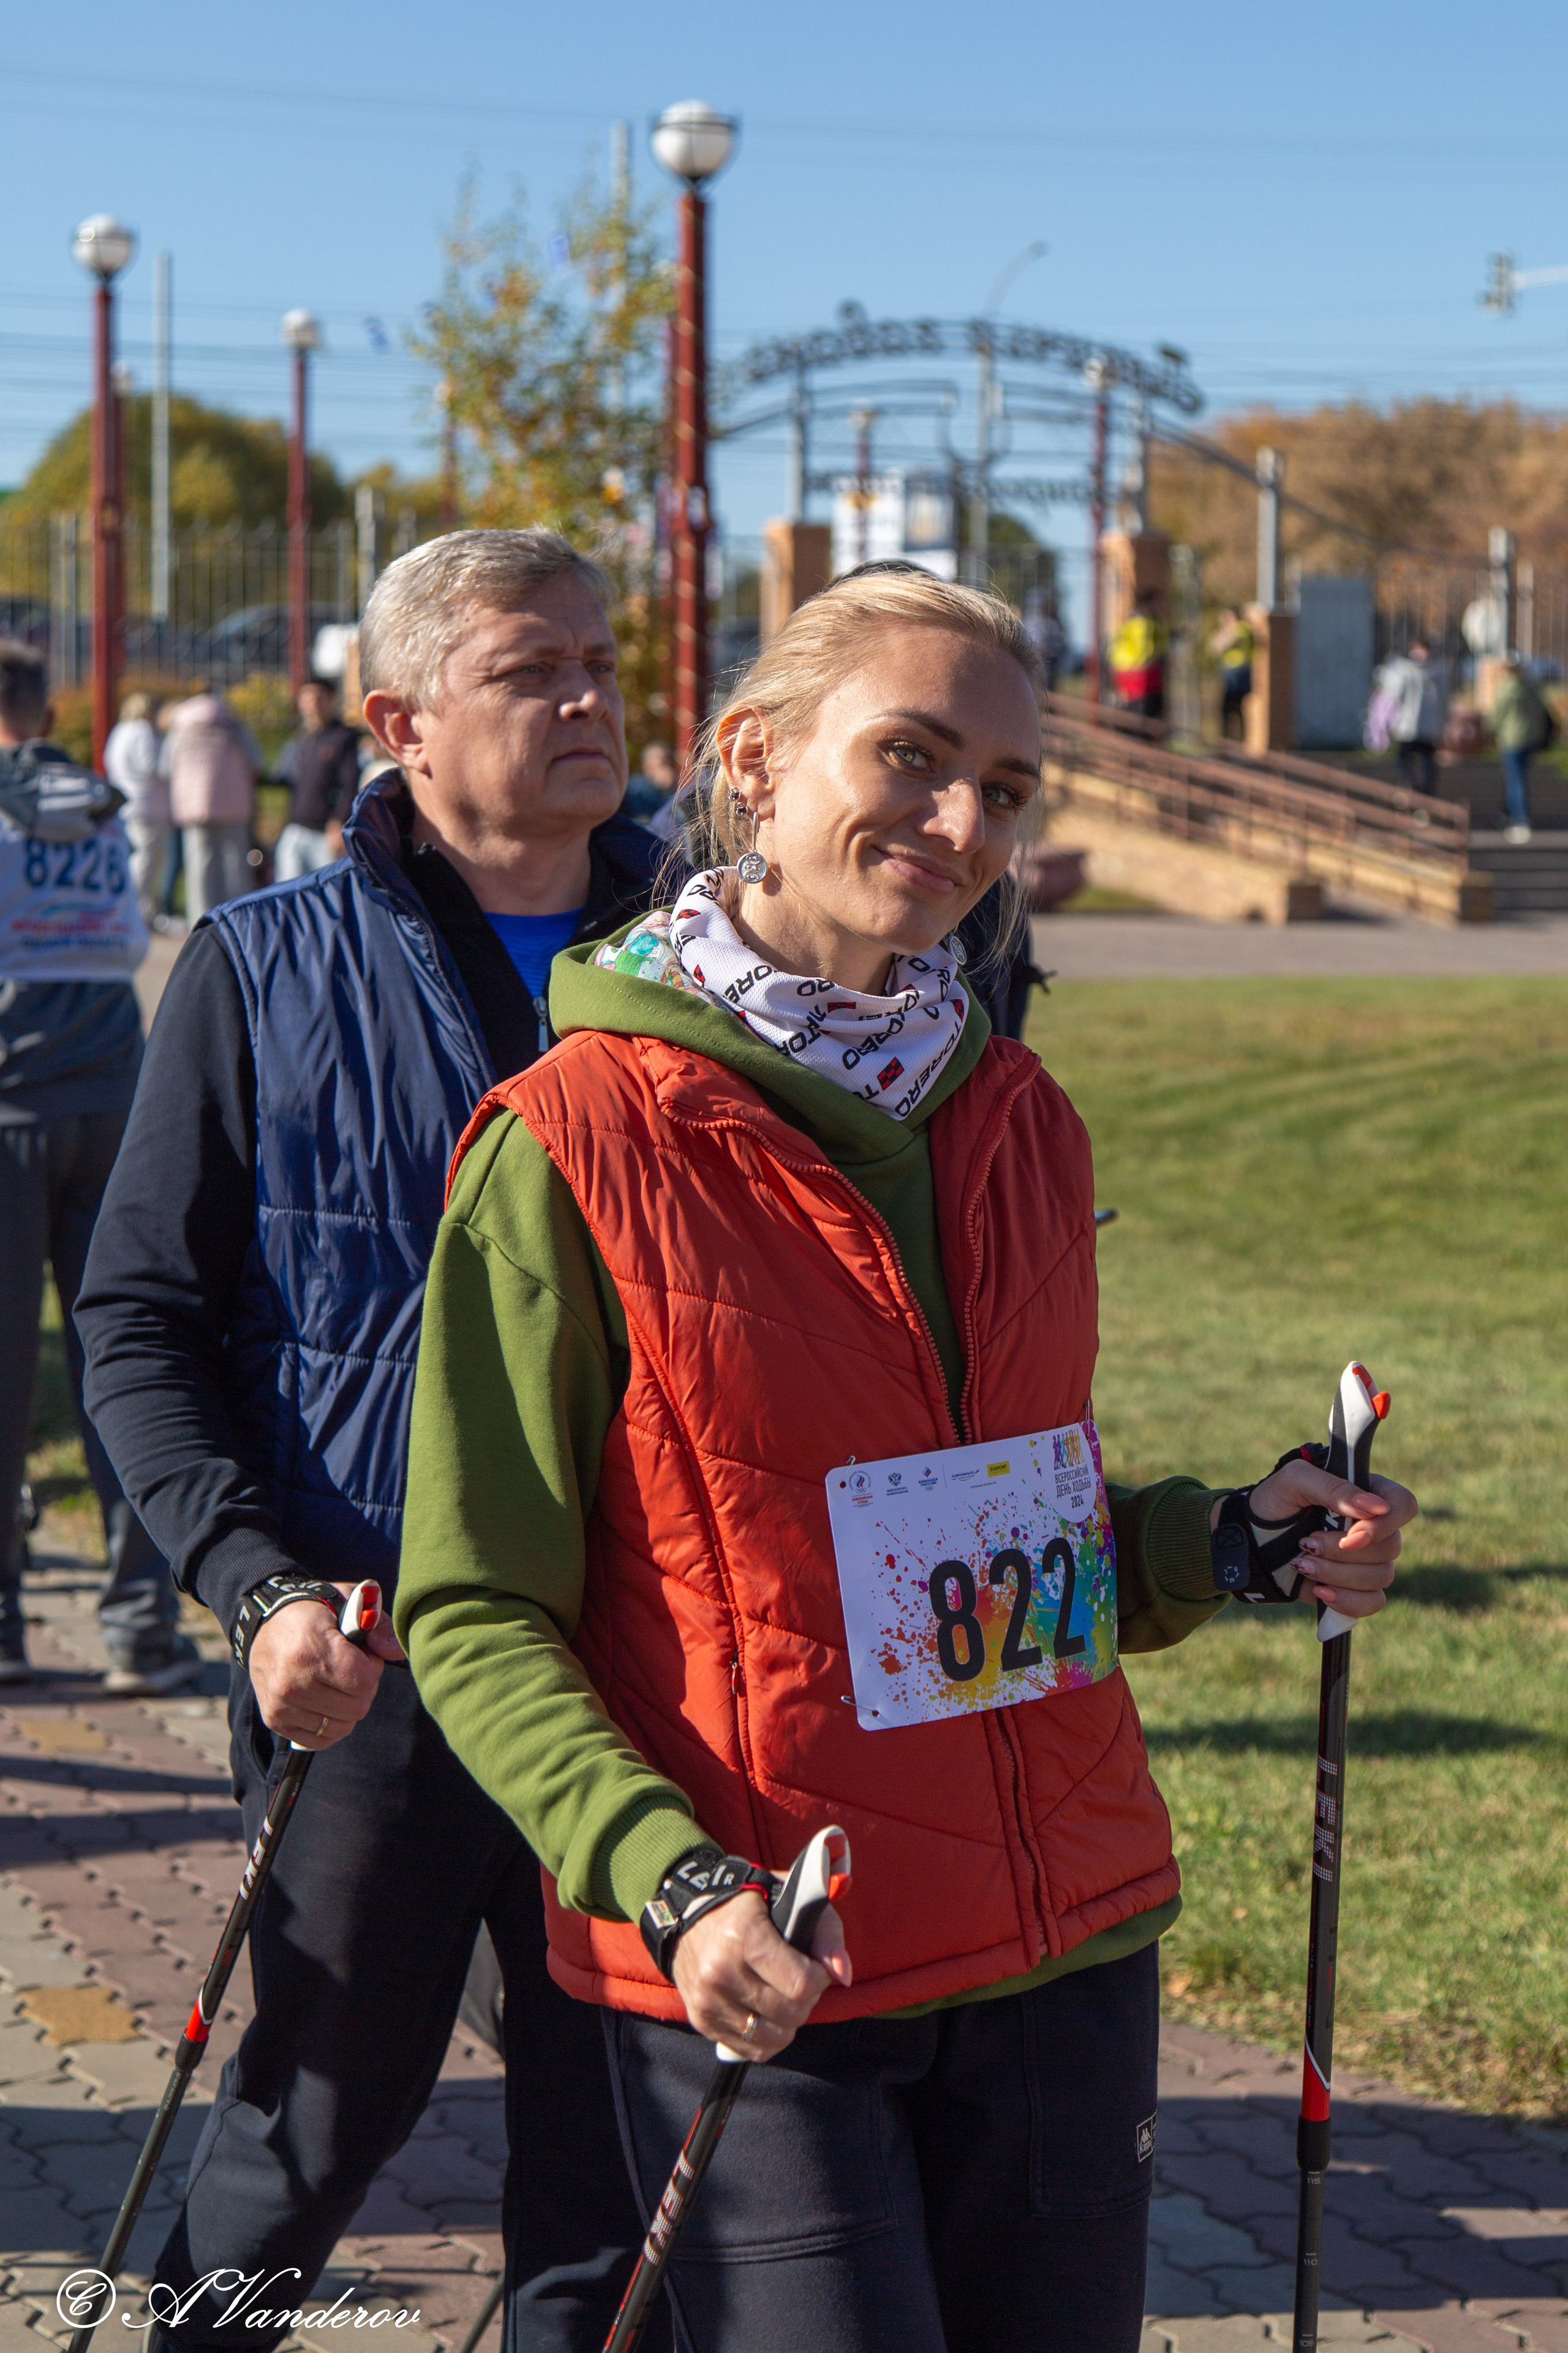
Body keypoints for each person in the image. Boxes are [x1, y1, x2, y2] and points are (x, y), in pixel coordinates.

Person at [396, 570, 1419, 2353]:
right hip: (767, 1946)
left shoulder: (1011, 1109)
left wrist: (1223, 1542)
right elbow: (476, 1602)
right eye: (912, 755)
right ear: (755, 760)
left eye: (1006, 789)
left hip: (1061, 1935)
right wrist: (666, 1869)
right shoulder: (573, 1138)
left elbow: (983, 1546)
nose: (960, 821)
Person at [77, 531, 673, 2353]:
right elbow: (138, 1319)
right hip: (372, 1656)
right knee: (307, 2130)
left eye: (598, 658)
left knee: (616, 2165)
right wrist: (251, 1587)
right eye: (530, 667)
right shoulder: (258, 972)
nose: (587, 695)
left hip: (643, 1664)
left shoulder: (710, 963)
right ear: (398, 718)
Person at [0, 643, 194, 1694]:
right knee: (120, 1362)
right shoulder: (96, 804)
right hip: (110, 1093)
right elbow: (127, 939)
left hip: (9, 1100)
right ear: (39, 703)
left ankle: (3, 1626)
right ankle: (140, 1626)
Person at [160, 686, 260, 919]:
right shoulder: (232, 724)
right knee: (236, 865)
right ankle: (239, 918)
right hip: (234, 805)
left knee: (199, 866)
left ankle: (200, 920)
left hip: (193, 807)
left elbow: (165, 766)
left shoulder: (180, 727)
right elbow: (257, 760)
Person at [271, 679, 363, 878]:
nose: (313, 705)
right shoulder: (302, 740)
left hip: (325, 833)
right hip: (296, 827)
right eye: (307, 699)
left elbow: (349, 783)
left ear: (331, 700)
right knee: (289, 889)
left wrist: (339, 821)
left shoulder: (343, 737)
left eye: (319, 699)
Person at [104, 690, 172, 924]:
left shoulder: (119, 731)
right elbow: (153, 767)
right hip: (148, 804)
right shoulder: (144, 732)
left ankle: (134, 910)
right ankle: (140, 913)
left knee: (134, 859)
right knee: (146, 862)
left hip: (125, 804)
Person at [1491, 649, 1552, 845]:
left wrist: (1491, 732)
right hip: (1531, 739)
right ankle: (1507, 812)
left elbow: (1496, 718)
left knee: (1515, 779)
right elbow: (1543, 712)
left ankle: (1520, 819)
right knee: (1518, 778)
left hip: (1512, 740)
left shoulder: (1506, 690)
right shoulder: (1533, 688)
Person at [1378, 638, 1449, 796]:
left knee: (1412, 760)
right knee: (1419, 760)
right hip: (1423, 726)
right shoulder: (1439, 672)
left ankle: (1411, 789)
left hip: (1409, 725)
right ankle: (1420, 791)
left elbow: (1394, 696)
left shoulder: (1405, 671)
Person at [1109, 587, 1168, 720]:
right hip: (1141, 673)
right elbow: (1154, 646)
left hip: (1128, 671)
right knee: (1144, 714)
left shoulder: (1128, 621)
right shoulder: (1149, 623)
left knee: (1137, 713)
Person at [1208, 606, 1254, 741]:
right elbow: (1212, 647)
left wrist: (1225, 632)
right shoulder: (1234, 630)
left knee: (1233, 707)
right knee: (1229, 708)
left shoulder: (1241, 629)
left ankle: (1234, 740)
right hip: (1231, 672)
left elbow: (1220, 647)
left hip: (1238, 673)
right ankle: (1229, 738)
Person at [623, 739, 678, 826]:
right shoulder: (635, 789)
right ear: (647, 765)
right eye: (662, 762)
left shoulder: (674, 789)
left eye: (668, 760)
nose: (666, 767)